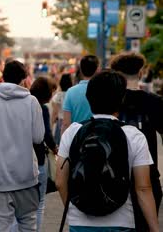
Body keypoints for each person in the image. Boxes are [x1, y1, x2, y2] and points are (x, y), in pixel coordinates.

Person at [56, 70, 159, 232]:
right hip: (121, 221)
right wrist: (154, 227)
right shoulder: (133, 135)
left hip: (80, 223)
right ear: (121, 99)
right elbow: (143, 188)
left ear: (89, 98)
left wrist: (73, 212)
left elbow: (60, 182)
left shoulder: (73, 131)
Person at [0, 60, 45, 231]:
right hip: (26, 176)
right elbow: (38, 137)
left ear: (3, 77)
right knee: (28, 222)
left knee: (2, 225)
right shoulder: (31, 102)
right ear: (24, 79)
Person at [110, 52, 163, 231]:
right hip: (149, 177)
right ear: (140, 74)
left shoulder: (111, 102)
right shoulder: (154, 102)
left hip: (115, 179)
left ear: (117, 75)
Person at [30, 76, 58, 231]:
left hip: (22, 159)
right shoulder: (42, 108)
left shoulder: (24, 103)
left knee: (19, 206)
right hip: (39, 159)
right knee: (39, 204)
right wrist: (55, 148)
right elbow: (46, 135)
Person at [61, 55, 99, 134]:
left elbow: (66, 123)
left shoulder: (71, 92)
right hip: (97, 139)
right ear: (97, 70)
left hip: (76, 139)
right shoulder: (103, 91)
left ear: (81, 70)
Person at [51, 74, 73, 144]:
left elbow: (55, 113)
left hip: (60, 122)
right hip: (71, 122)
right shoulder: (72, 94)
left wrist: (51, 124)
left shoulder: (58, 96)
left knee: (59, 144)